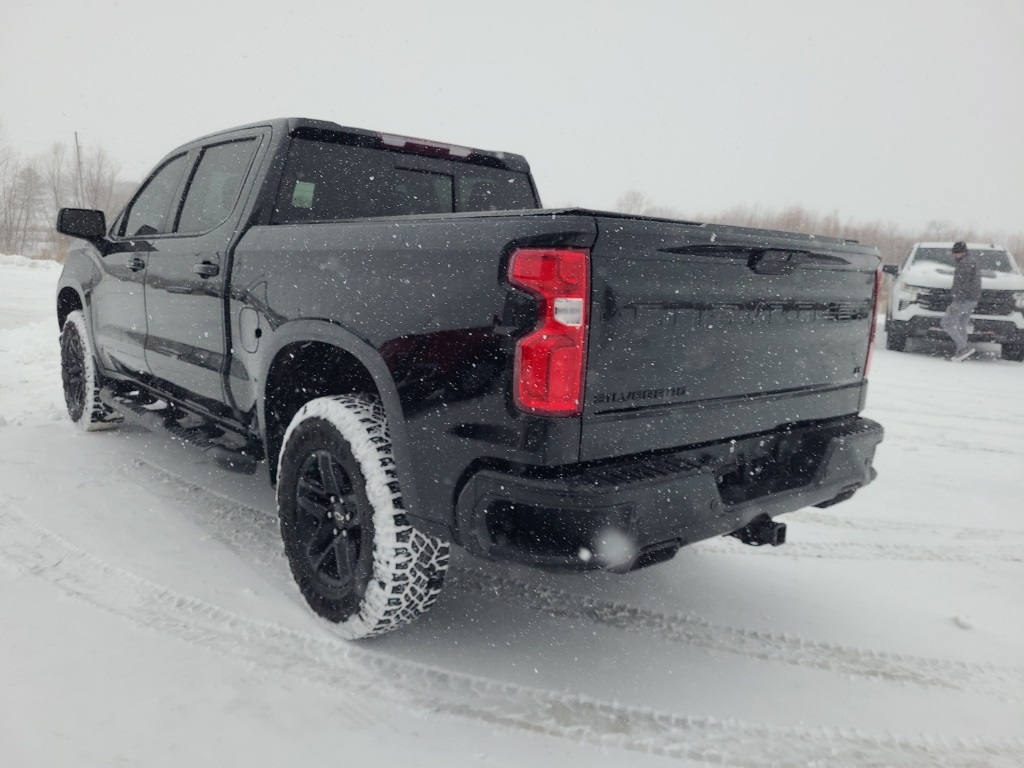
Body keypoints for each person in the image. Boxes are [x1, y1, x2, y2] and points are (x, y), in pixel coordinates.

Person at [940, 241, 982, 361]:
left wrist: (957, 301)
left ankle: (964, 348)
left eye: (955, 253)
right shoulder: (971, 261)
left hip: (963, 299)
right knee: (961, 323)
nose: (953, 256)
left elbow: (961, 284)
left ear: (960, 252)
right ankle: (961, 352)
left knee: (946, 323)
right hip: (972, 299)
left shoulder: (964, 264)